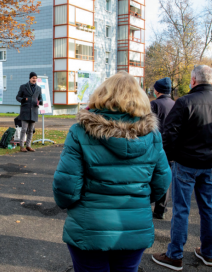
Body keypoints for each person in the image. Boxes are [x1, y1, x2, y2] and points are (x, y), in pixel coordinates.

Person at [53, 72, 171, 272]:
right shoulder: (152, 135)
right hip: (134, 227)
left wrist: (71, 205)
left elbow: (66, 186)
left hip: (89, 227)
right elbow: (162, 180)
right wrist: (138, 200)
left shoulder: (80, 131)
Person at [152, 65, 212, 270]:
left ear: (194, 80)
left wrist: (170, 157)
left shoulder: (185, 102)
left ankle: (175, 254)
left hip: (185, 163)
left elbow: (169, 135)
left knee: (181, 209)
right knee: (208, 209)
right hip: (208, 164)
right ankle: (208, 252)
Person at [150, 77, 175, 219]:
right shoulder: (176, 104)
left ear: (157, 90)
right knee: (165, 176)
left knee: (151, 175)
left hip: (155, 145)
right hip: (170, 146)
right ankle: (161, 209)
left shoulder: (153, 105)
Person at [15, 72, 43, 152]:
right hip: (25, 111)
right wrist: (22, 100)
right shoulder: (23, 87)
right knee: (24, 129)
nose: (34, 79)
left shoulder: (38, 88)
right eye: (33, 78)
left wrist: (39, 101)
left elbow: (40, 99)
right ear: (30, 78)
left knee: (31, 130)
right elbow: (17, 97)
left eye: (35, 78)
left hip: (34, 111)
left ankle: (28, 145)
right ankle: (21, 146)